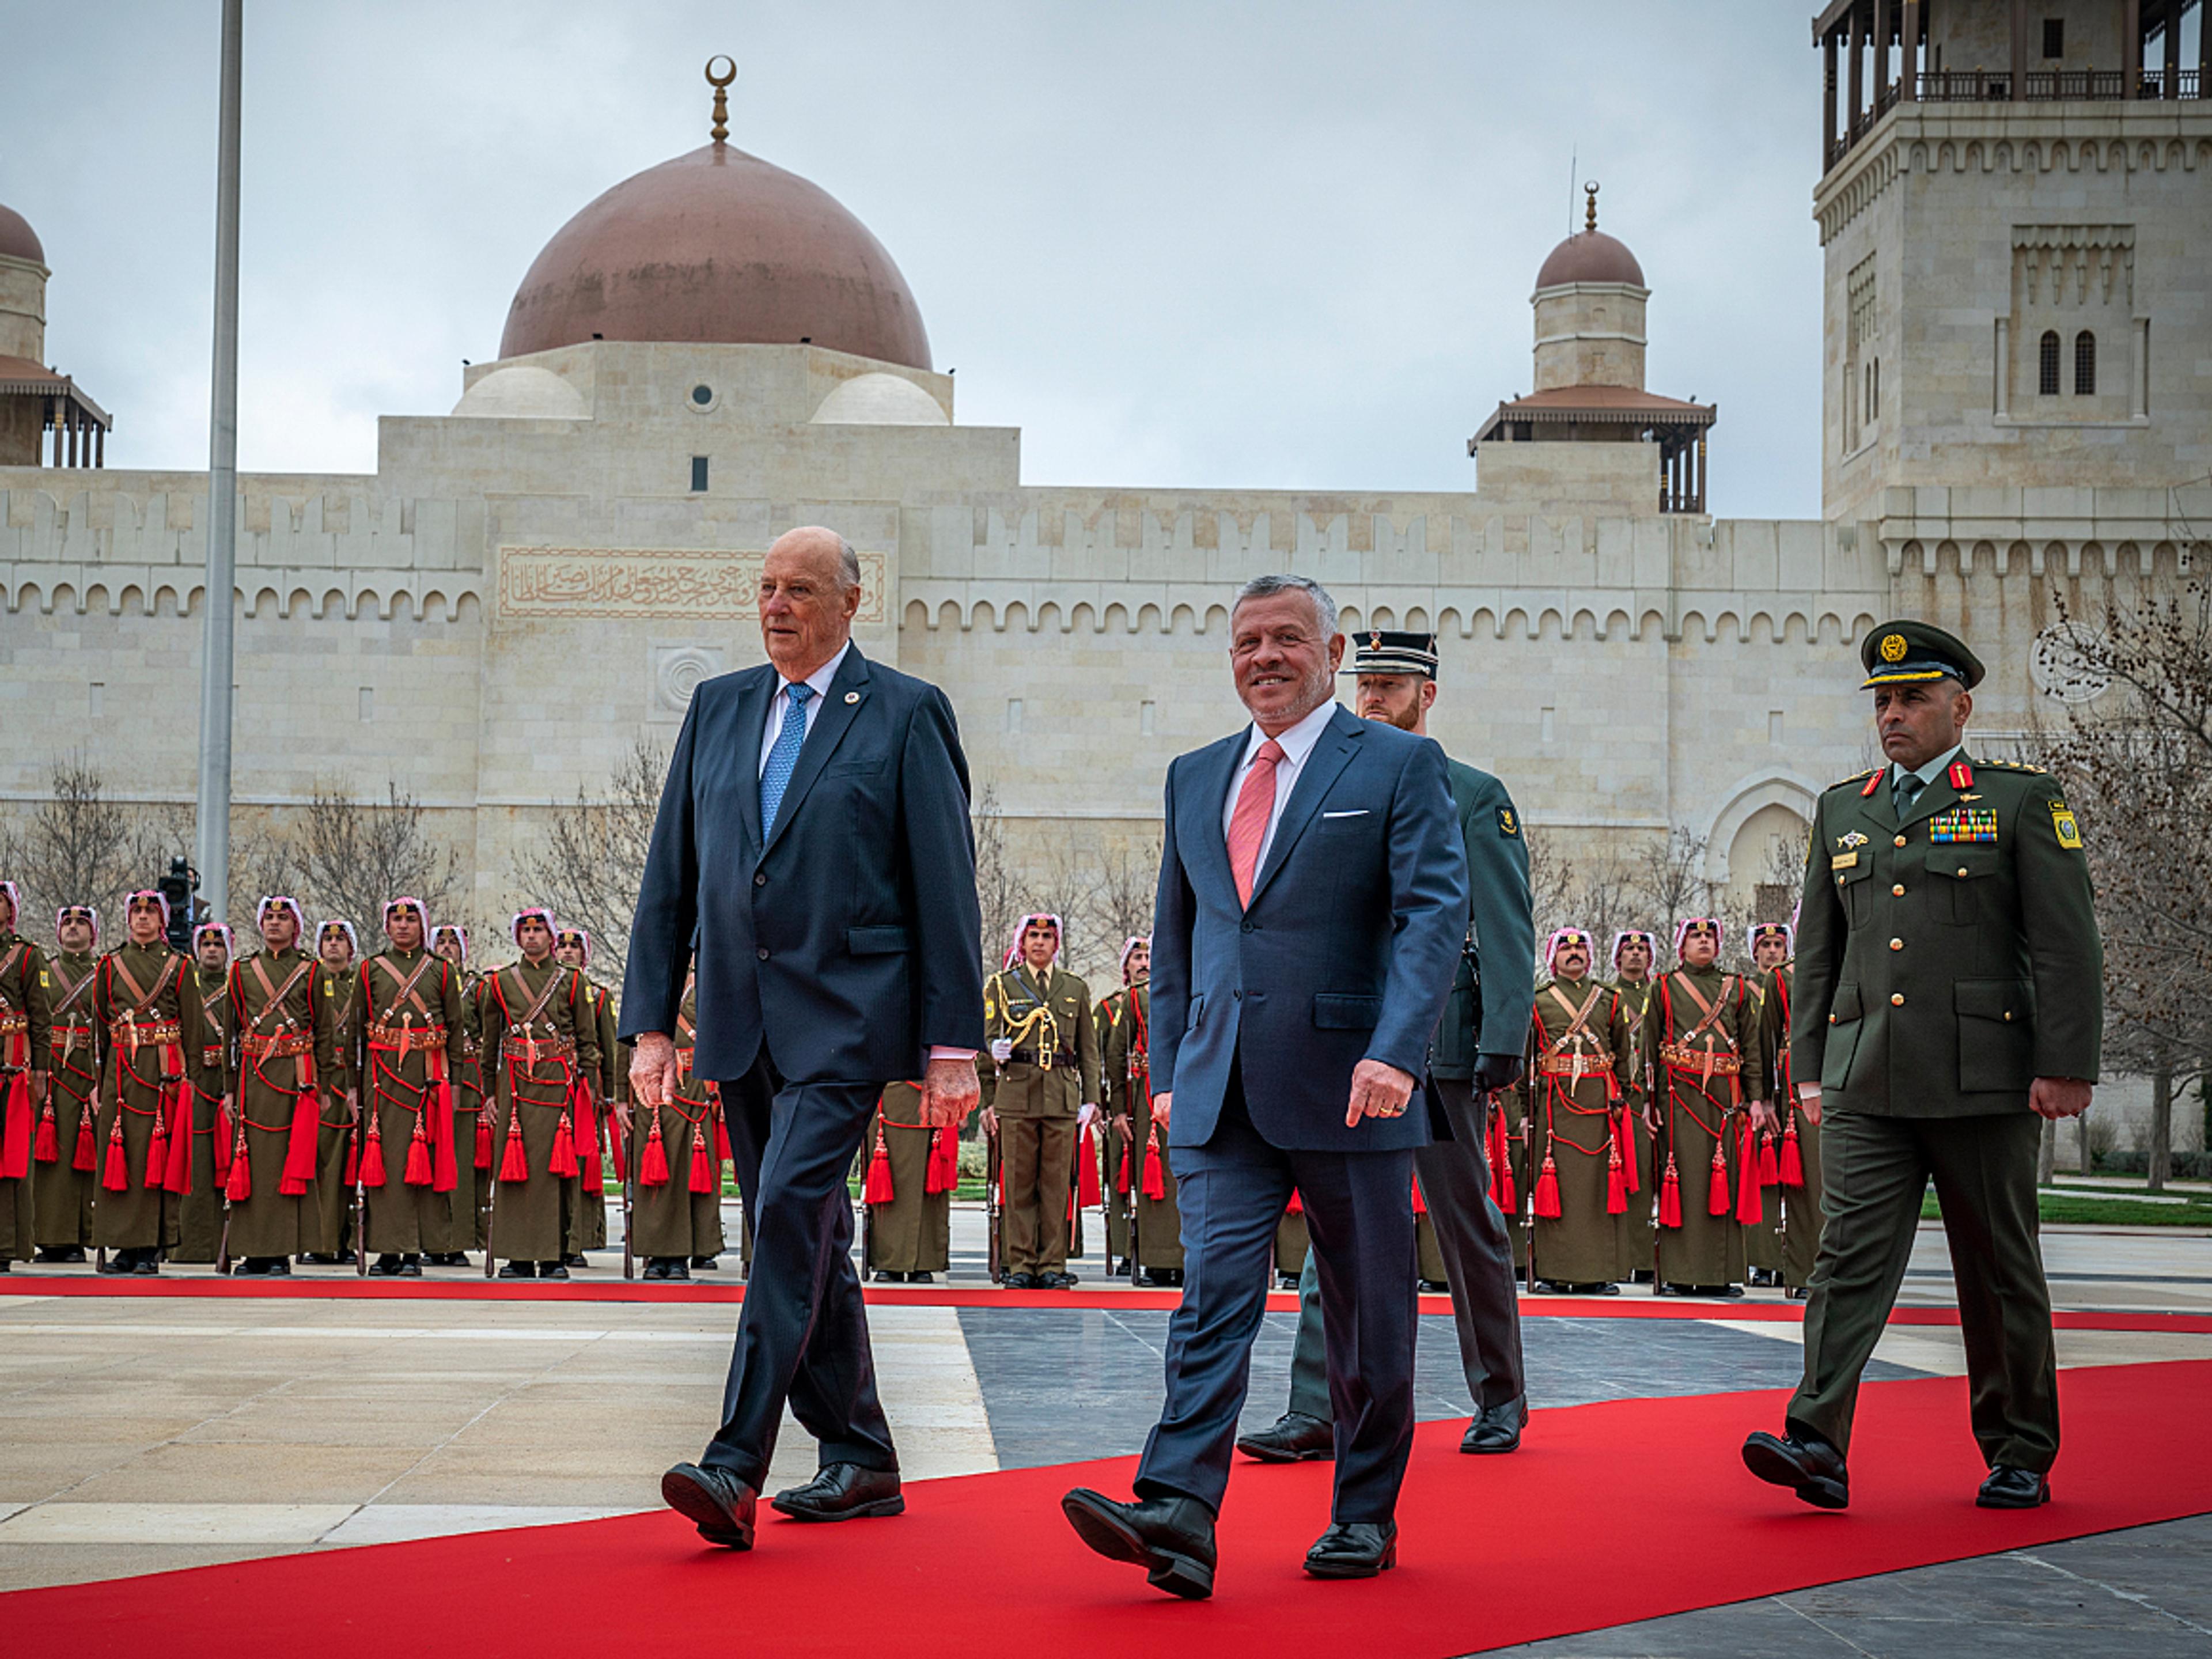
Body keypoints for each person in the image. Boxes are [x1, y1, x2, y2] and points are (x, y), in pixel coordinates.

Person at [1061, 576, 1467, 1595]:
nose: (1266, 657)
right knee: (1211, 1300)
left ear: (1331, 655)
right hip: (1216, 1094)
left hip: (1352, 1088)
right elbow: (1181, 937)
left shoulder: (1400, 765)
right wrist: (1164, 1073)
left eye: (1289, 638)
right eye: (1248, 642)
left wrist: (1397, 1049)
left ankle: (1365, 1514)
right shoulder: (1195, 775)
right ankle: (1179, 1513)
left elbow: (1433, 918)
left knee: (1369, 1315)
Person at [628, 525, 984, 1553]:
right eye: (766, 586)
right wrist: (653, 1023)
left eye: (800, 589)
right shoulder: (722, 706)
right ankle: (863, 1455)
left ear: (850, 603)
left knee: (785, 1214)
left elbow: (945, 888)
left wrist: (950, 1040)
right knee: (810, 1236)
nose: (776, 605)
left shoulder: (908, 714)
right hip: (740, 1019)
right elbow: (673, 874)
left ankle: (735, 1464)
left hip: (851, 1019)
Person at [1744, 620, 2100, 1512]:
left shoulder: (2020, 801)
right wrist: (1812, 1069)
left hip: (1985, 1076)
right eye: (1884, 701)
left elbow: (2066, 946)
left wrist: (2067, 1064)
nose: (1893, 715)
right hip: (1868, 1078)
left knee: (1997, 1267)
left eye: (1912, 699)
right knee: (1846, 1259)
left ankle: (2019, 1448)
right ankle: (1816, 1439)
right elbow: (1817, 954)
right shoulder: (1843, 808)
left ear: (1960, 707)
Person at [1236, 627, 1534, 1468]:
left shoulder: (1473, 793)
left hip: (1441, 1050)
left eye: (1393, 685)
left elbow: (1504, 923)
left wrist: (1504, 1033)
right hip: (1348, 1044)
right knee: (1340, 1226)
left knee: (1464, 1222)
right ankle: (1315, 1408)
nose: (1373, 698)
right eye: (1365, 683)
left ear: (1427, 695)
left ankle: (1500, 1396)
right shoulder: (1330, 782)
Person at [1642, 917, 1763, 1297]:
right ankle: (1680, 1274)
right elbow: (1649, 1050)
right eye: (1696, 937)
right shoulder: (1663, 987)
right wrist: (1649, 1103)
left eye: (1710, 936)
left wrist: (1755, 1098)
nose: (1704, 942)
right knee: (1684, 1180)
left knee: (1724, 1180)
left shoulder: (1738, 988)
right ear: (1682, 947)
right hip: (1679, 1097)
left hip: (1726, 1099)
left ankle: (1722, 1275)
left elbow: (1753, 1049)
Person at [980, 914, 1101, 1290]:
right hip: (1016, 1095)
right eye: (1033, 935)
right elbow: (984, 1049)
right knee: (1018, 1184)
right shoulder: (1000, 987)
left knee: (1055, 1185)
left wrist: (1092, 1100)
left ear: (1056, 944)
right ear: (1022, 941)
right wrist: (988, 1099)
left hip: (1061, 1098)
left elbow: (1089, 1052)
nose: (1039, 942)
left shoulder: (1074, 988)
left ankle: (1052, 1263)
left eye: (1047, 936)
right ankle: (1020, 1264)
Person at [93, 891, 208, 1275]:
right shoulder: (109, 965)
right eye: (137, 911)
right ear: (128, 919)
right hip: (120, 1072)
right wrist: (98, 1081)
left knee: (153, 1158)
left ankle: (149, 1248)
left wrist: (190, 1079)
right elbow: (99, 1029)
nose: (143, 918)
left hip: (164, 1072)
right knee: (119, 1156)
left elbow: (193, 1027)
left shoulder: (179, 965)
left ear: (163, 921)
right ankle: (122, 1245)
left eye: (151, 912)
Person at [1519, 927, 1639, 1293]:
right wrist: (1524, 1113)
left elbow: (1623, 1056)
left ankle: (1597, 1274)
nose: (1575, 954)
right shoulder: (1537, 1000)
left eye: (1581, 949)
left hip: (1600, 1109)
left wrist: (1625, 1101)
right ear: (1553, 957)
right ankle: (1554, 1273)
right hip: (1553, 1110)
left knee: (1597, 1189)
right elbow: (1525, 1062)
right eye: (1567, 949)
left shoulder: (1609, 999)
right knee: (1558, 1192)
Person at [481, 907, 599, 1278]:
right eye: (526, 931)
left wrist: (592, 1093)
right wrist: (488, 1094)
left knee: (554, 1172)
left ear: (551, 936)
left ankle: (554, 1256)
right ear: (518, 938)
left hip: (558, 1085)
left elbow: (588, 1041)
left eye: (539, 930)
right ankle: (517, 1256)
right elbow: (489, 1045)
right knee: (515, 1171)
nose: (532, 937)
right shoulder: (498, 983)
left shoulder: (573, 981)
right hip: (514, 1086)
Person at [352, 897, 465, 1277]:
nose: (403, 926)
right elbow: (355, 1032)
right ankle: (386, 1251)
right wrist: (356, 1089)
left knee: (422, 1165)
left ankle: (414, 1250)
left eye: (410, 919)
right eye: (396, 920)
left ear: (423, 925)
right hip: (382, 1078)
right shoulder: (368, 970)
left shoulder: (442, 971)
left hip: (428, 1076)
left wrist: (456, 1086)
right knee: (383, 1162)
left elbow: (455, 1030)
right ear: (386, 927)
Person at [221, 897, 325, 1275]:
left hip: (294, 1079)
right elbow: (230, 1035)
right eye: (269, 917)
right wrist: (229, 1088)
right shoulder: (243, 971)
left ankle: (280, 1251)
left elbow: (325, 1032)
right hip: (253, 1079)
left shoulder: (311, 972)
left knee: (286, 1163)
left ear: (295, 926)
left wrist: (324, 1086)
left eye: (283, 918)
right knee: (250, 1162)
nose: (275, 924)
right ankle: (251, 1250)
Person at [626, 968, 728, 1281]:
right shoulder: (649, 989)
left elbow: (726, 1038)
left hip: (699, 1091)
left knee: (692, 1173)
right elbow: (626, 1044)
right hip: (654, 1093)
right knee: (656, 1177)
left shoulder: (710, 988)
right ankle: (658, 1254)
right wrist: (621, 1099)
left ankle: (695, 1249)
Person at [1103, 936, 1181, 1288]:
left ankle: (1186, 1259)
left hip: (1193, 1094)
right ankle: (1155, 1259)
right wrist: (1119, 1109)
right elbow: (1117, 1056)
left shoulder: (1196, 984)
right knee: (1155, 1181)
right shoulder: (1138, 995)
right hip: (1148, 1098)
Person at [1749, 921, 1817, 1298]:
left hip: (1851, 1081)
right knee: (1806, 1186)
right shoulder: (1783, 979)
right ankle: (1806, 1272)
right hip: (1798, 1090)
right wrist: (1764, 1098)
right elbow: (1765, 1040)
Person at [33, 904, 100, 1263]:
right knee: (49, 1157)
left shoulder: (103, 972)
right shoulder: (43, 970)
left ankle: (79, 1238)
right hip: (51, 1072)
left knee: (82, 1157)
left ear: (94, 933)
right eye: (68, 923)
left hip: (88, 1073)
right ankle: (48, 1238)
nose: (73, 928)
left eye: (81, 923)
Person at [554, 926, 620, 1268]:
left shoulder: (597, 994)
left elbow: (607, 1047)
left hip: (583, 1090)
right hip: (548, 1086)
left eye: (574, 947)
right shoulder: (547, 990)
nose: (567, 952)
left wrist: (608, 1094)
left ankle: (577, 1240)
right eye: (562, 946)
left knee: (580, 1166)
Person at [175, 921, 236, 1263]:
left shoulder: (237, 986)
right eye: (206, 945)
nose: (211, 950)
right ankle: (191, 1246)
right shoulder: (187, 987)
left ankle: (227, 1245)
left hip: (228, 1084)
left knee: (228, 1162)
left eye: (218, 945)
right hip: (194, 1083)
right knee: (195, 1162)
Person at [0, 881, 52, 1270]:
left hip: (11, 1067)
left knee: (10, 1159)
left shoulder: (26, 956)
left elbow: (40, 1019)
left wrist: (40, 1071)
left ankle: (5, 1245)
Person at [305, 920, 363, 1264]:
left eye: (340, 940)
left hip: (352, 1082)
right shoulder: (310, 981)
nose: (332, 945)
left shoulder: (360, 984)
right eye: (327, 939)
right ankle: (320, 1241)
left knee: (351, 1166)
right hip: (320, 1082)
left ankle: (347, 1241)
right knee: (320, 1163)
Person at [861, 1078, 955, 1283]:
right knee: (890, 1182)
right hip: (888, 1093)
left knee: (928, 1182)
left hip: (931, 1087)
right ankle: (889, 1261)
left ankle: (924, 1261)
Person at [1741, 922, 1794, 1287]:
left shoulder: (1791, 981)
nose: (1773, 951)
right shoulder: (1743, 990)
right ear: (1755, 951)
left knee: (1798, 1176)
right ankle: (1762, 1260)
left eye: (1779, 944)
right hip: (1759, 1094)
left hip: (1792, 1086)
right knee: (1763, 1177)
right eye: (1766, 945)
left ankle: (1793, 1256)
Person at [1609, 930, 1661, 1280]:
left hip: (1653, 1097)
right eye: (1628, 950)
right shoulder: (1607, 996)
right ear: (1617, 958)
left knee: (1652, 1176)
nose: (1636, 955)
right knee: (1624, 1177)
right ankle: (1623, 1257)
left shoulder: (1659, 994)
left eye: (1642, 950)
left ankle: (1646, 1261)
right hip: (1620, 1098)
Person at [431, 924, 484, 1262]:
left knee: (462, 1164)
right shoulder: (424, 984)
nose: (447, 947)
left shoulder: (477, 989)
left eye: (453, 943)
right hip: (429, 1077)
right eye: (441, 941)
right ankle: (432, 1240)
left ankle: (459, 1240)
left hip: (465, 1081)